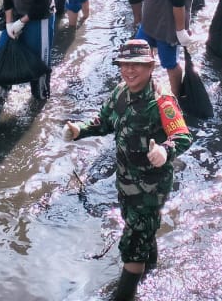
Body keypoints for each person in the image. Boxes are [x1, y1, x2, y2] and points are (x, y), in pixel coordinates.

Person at [63, 40, 194, 301]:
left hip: (151, 187)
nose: (129, 71)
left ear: (150, 66)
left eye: (136, 65)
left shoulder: (162, 101)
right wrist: (80, 130)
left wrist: (164, 151)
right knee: (142, 230)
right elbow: (104, 121)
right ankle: (152, 269)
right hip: (126, 182)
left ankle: (125, 294)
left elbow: (182, 135)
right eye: (125, 65)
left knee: (133, 245)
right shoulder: (121, 92)